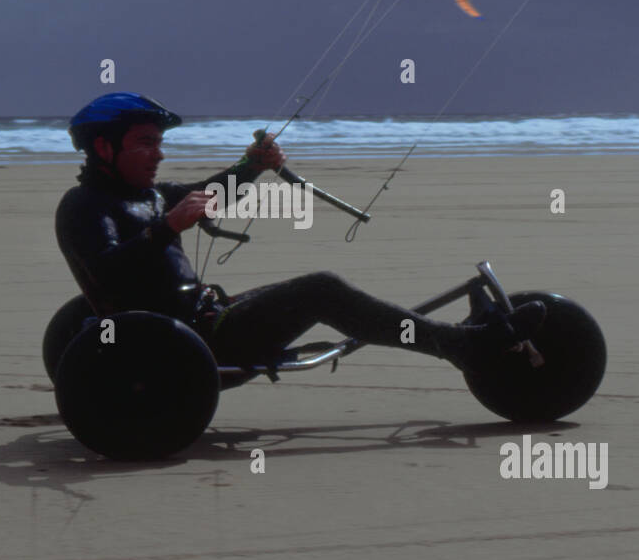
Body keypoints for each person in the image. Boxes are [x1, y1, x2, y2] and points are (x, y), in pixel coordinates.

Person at [54, 92, 545, 375]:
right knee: (321, 289)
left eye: (159, 143)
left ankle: (461, 339)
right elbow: (106, 273)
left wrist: (253, 166)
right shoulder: (84, 207)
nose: (158, 155)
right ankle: (458, 346)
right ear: (103, 147)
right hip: (178, 347)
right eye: (145, 144)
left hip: (208, 319)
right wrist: (167, 228)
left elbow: (210, 192)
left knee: (310, 290)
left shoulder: (153, 195)